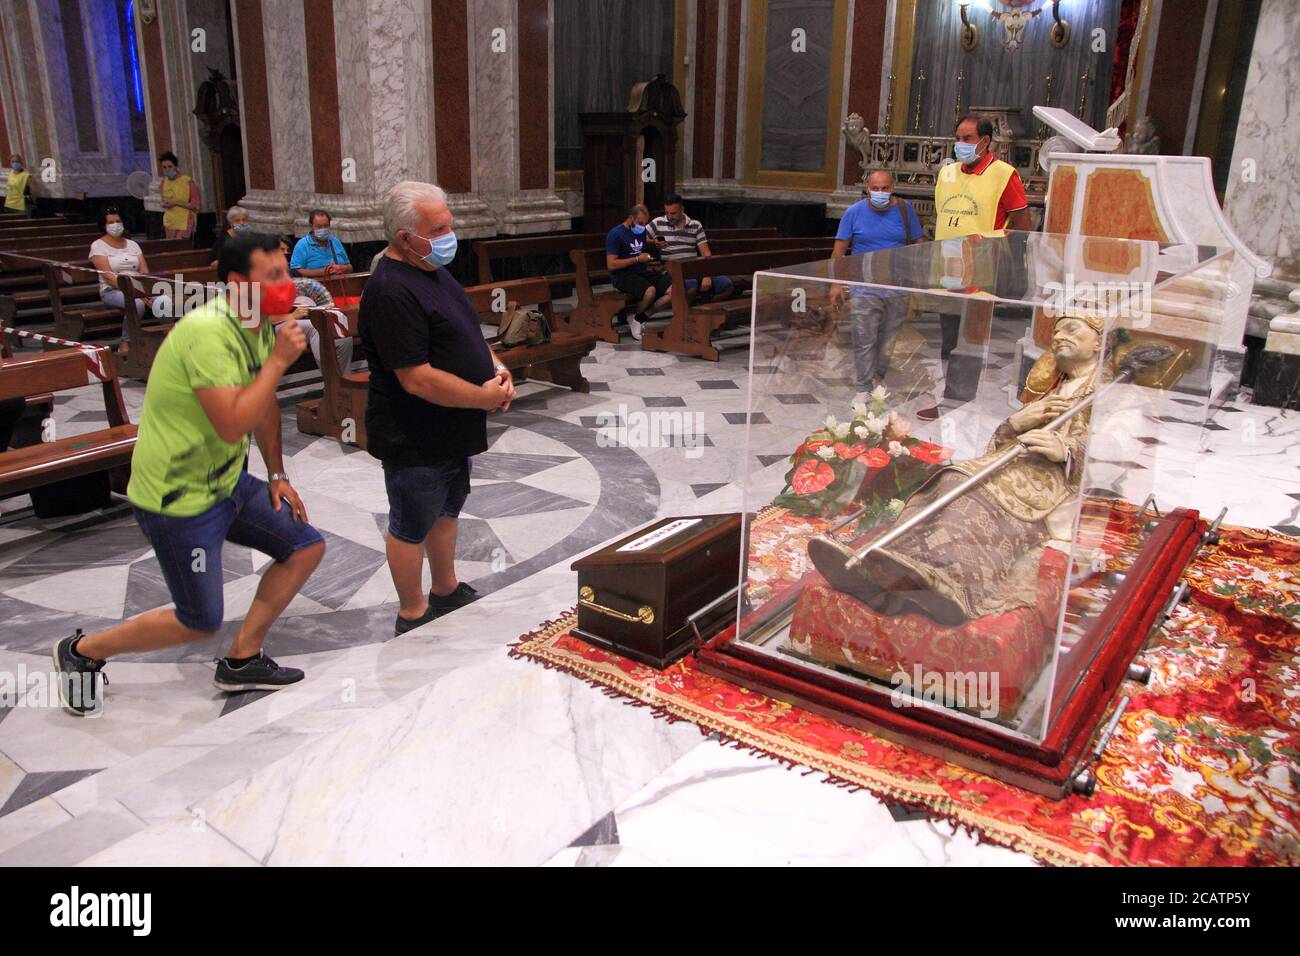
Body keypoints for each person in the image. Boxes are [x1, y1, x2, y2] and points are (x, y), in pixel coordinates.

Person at [51, 233, 325, 716]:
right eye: (276, 275)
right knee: (199, 621)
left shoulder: (258, 325)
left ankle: (241, 661)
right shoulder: (208, 333)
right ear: (240, 283)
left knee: (305, 546)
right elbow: (232, 420)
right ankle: (82, 652)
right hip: (179, 498)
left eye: (287, 271)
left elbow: (260, 409)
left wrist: (277, 472)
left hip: (227, 482)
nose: (290, 284)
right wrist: (281, 361)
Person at [809, 312, 1104, 626]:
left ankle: (950, 586)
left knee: (969, 497)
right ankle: (873, 565)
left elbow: (1114, 451)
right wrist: (1017, 422)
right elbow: (1002, 442)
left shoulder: (1105, 391)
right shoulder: (1053, 387)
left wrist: (1069, 449)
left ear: (1099, 342)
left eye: (1072, 330)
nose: (1060, 337)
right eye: (1056, 332)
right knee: (947, 480)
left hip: (1049, 484)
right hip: (1013, 463)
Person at [360, 181, 512, 636]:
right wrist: (484, 397)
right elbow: (417, 377)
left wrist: (498, 367)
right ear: (406, 237)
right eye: (440, 227)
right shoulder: (390, 289)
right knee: (411, 522)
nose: (451, 233)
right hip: (415, 431)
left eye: (449, 223)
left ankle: (445, 589)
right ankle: (412, 611)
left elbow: (467, 331)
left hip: (452, 425)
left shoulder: (434, 270)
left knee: (447, 511)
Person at [832, 169, 925, 398]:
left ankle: (877, 379)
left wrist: (917, 279)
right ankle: (863, 387)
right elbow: (839, 250)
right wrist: (835, 284)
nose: (880, 193)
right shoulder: (854, 213)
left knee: (887, 342)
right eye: (875, 188)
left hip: (896, 287)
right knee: (864, 338)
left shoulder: (905, 210)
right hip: (864, 286)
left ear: (892, 188)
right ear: (868, 188)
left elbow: (919, 244)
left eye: (885, 188)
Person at [935, 115, 1031, 239]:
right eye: (958, 139)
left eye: (967, 138)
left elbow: (1022, 225)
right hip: (944, 255)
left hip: (984, 256)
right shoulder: (947, 172)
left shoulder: (1004, 174)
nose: (960, 144)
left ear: (985, 141)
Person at [89, 208, 168, 353]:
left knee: (164, 300)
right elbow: (108, 276)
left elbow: (144, 272)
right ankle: (126, 342)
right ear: (104, 225)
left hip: (139, 288)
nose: (115, 224)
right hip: (113, 290)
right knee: (136, 304)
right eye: (111, 222)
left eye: (118, 221)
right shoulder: (98, 246)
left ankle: (167, 339)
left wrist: (145, 291)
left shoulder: (133, 245)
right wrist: (135, 292)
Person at [646, 195, 735, 303]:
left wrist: (707, 275)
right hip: (672, 268)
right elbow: (638, 238)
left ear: (682, 209)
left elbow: (706, 252)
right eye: (667, 212)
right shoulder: (658, 223)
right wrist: (653, 242)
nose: (669, 216)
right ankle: (685, 312)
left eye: (673, 213)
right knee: (691, 283)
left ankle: (700, 307)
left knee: (727, 285)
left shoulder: (695, 225)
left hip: (694, 267)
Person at [605, 203, 671, 341]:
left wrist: (653, 243)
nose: (642, 226)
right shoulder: (615, 234)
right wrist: (636, 259)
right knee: (650, 291)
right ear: (631, 218)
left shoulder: (640, 231)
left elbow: (640, 242)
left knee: (675, 289)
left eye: (645, 223)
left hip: (641, 271)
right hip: (623, 274)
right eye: (640, 223)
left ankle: (638, 318)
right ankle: (635, 318)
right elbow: (611, 264)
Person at [290, 209, 353, 278]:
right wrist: (325, 271)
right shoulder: (302, 245)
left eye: (326, 226)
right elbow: (295, 272)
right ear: (311, 226)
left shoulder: (335, 242)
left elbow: (350, 267)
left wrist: (343, 268)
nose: (323, 229)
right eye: (319, 226)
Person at [158, 151, 200, 240]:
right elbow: (163, 200)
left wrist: (175, 202)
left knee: (182, 248)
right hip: (170, 222)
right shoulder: (163, 182)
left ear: (176, 167)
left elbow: (196, 206)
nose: (167, 169)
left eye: (170, 166)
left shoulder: (187, 181)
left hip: (184, 222)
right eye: (164, 167)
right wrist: (163, 204)